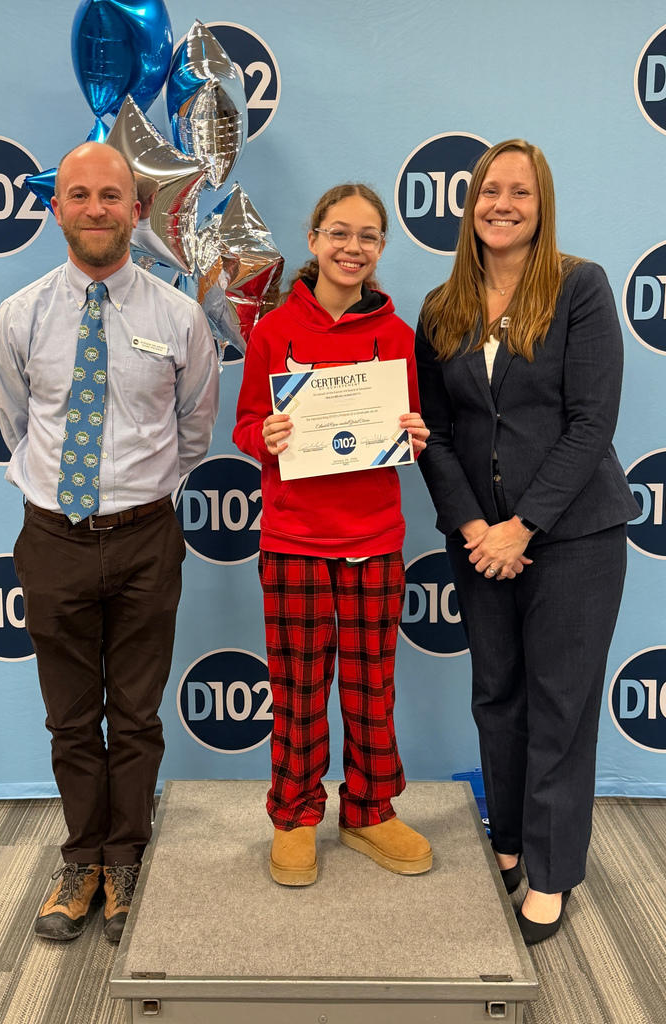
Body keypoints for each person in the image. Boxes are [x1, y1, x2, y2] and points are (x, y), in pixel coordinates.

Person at [0, 141, 219, 942]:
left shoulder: (179, 317)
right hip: (53, 538)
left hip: (146, 538)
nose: (95, 208)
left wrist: (136, 497)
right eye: (79, 195)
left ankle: (126, 859)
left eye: (111, 196)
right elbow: (16, 423)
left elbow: (193, 431)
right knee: (71, 717)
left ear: (138, 210)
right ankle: (81, 858)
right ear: (56, 208)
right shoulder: (20, 316)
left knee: (138, 715)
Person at [415, 139, 639, 944]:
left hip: (574, 537)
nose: (501, 205)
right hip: (480, 541)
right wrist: (477, 527)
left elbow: (591, 422)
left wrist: (524, 525)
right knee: (497, 695)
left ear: (542, 206)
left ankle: (550, 872)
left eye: (519, 192)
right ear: (469, 203)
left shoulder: (580, 287)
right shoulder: (441, 307)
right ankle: (507, 843)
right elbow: (435, 431)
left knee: (560, 706)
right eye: (489, 191)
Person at [233, 183, 432, 886]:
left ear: (381, 248)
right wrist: (266, 434)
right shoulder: (273, 331)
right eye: (339, 232)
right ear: (314, 239)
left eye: (367, 236)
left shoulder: (398, 336)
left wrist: (414, 435)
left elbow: (411, 427)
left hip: (374, 538)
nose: (353, 247)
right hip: (295, 540)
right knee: (297, 687)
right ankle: (294, 814)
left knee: (372, 686)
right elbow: (246, 426)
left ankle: (370, 810)